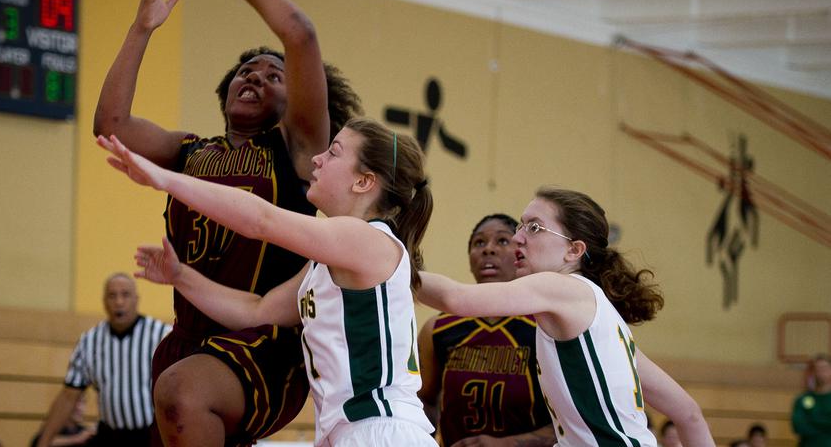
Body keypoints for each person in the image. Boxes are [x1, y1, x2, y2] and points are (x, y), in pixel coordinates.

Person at [92, 0, 361, 447]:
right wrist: (142, 28)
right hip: (188, 338)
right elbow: (111, 124)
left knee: (183, 392)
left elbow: (300, 35)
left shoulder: (298, 149)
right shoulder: (189, 151)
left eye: (273, 75)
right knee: (181, 392)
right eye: (247, 71)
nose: (256, 76)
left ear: (292, 100)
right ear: (226, 90)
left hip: (263, 342)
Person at [97, 117, 436, 446]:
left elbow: (261, 219)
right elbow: (256, 310)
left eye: (333, 152)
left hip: (381, 431)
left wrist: (166, 179)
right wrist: (181, 276)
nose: (317, 158)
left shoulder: (367, 240)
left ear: (363, 182)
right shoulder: (330, 259)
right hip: (351, 432)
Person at [417, 187, 715, 447]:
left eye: (533, 228)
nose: (518, 237)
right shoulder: (602, 319)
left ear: (573, 250)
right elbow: (687, 412)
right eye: (520, 226)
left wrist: (388, 261)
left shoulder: (561, 287)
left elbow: (456, 298)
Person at [417, 213, 555, 447]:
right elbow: (424, 401)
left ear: (520, 254)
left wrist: (509, 444)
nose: (488, 250)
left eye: (502, 241)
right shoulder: (437, 328)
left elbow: (573, 422)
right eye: (479, 243)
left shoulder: (545, 327)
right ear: (470, 258)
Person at [36, 274, 171, 447]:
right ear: (104, 301)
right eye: (112, 295)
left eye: (125, 295)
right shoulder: (89, 341)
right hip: (110, 436)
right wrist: (44, 441)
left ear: (136, 300)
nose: (119, 302)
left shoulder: (161, 335)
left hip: (151, 436)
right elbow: (69, 396)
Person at [792, 354, 831, 447]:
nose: (821, 372)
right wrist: (826, 425)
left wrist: (812, 421)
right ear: (812, 372)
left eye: (824, 368)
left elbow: (807, 424)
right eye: (817, 369)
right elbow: (798, 426)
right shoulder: (802, 400)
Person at [31, 396, 96, 447]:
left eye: (83, 402)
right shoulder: (53, 430)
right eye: (75, 402)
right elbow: (39, 442)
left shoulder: (84, 432)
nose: (80, 408)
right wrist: (76, 439)